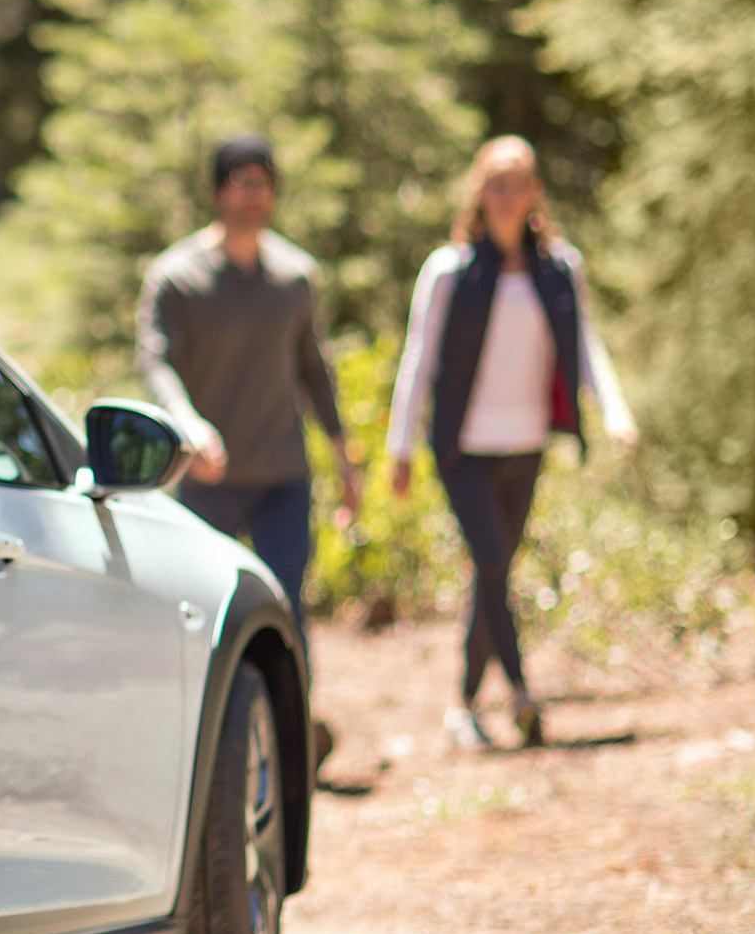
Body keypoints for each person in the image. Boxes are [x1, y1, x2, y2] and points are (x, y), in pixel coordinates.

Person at [386, 136, 636, 750]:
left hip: (525, 442)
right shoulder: (449, 271)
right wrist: (398, 446)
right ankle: (522, 692)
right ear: (479, 191)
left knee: (490, 572)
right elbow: (419, 357)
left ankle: (464, 705)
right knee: (493, 563)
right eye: (496, 183)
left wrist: (614, 414)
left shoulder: (559, 269)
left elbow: (583, 346)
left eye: (518, 182)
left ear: (534, 193)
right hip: (460, 447)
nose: (506, 195)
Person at [139, 134, 362, 630]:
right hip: (208, 479)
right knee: (206, 612)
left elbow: (315, 372)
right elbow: (157, 362)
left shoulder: (295, 275)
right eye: (242, 182)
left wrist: (344, 460)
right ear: (219, 192)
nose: (254, 193)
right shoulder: (177, 277)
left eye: (264, 183)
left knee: (285, 609)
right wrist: (187, 423)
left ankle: (293, 708)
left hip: (282, 476)